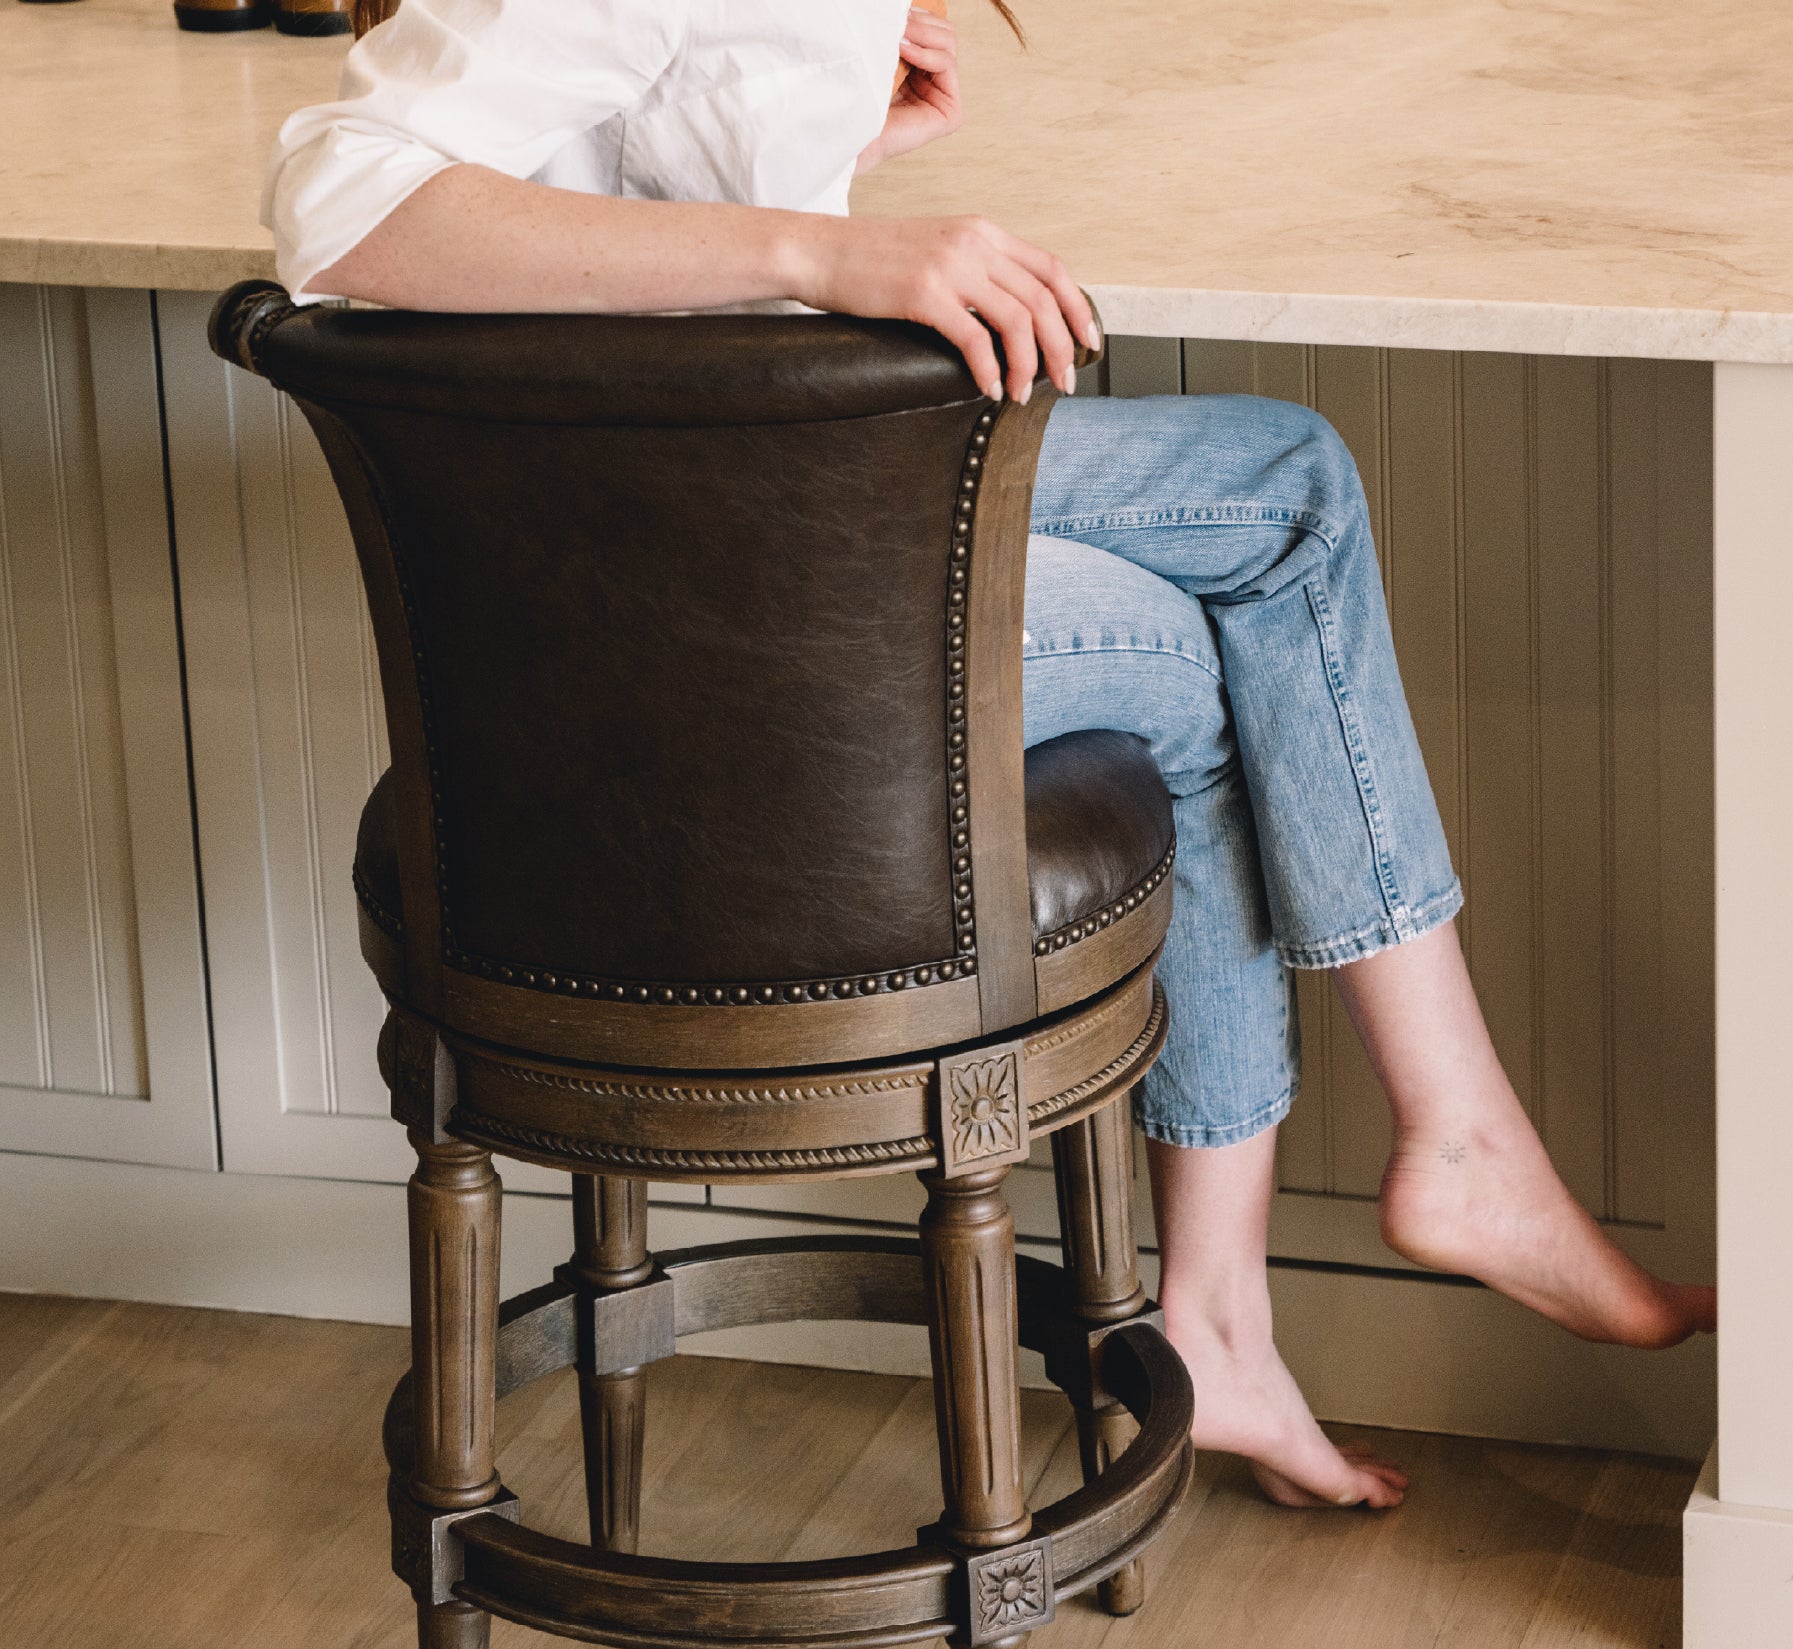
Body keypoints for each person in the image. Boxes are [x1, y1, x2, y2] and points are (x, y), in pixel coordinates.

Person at [266, 0, 1715, 1513]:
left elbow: (598, 146)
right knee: (1215, 642)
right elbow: (342, 199)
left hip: (714, 518)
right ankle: (1343, 1225)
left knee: (1287, 490)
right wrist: (817, 249)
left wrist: (797, 124)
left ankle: (1332, 1240)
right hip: (690, 615)